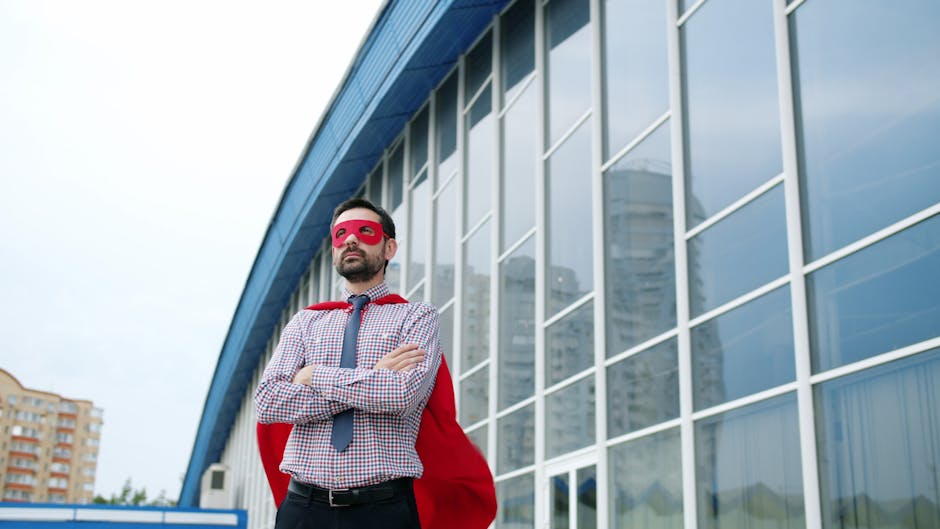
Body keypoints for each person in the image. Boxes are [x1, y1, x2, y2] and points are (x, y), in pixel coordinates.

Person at [254, 197, 495, 529]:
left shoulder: (416, 316)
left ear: (389, 247)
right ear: (334, 250)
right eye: (341, 234)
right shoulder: (304, 323)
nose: (351, 240)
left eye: (365, 231)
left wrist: (313, 375)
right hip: (303, 509)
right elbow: (268, 401)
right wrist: (374, 377)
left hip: (383, 510)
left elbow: (401, 396)